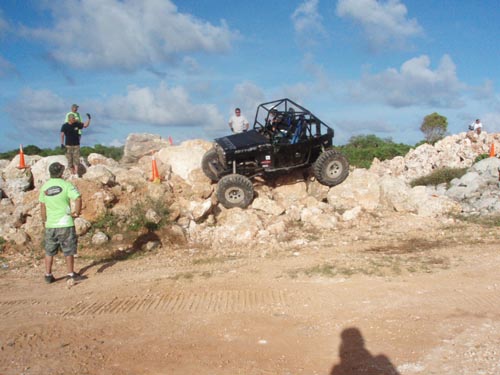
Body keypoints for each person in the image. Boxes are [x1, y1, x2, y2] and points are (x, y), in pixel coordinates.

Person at [39, 162, 82, 284]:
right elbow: (78, 198)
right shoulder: (66, 185)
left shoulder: (45, 187)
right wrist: (76, 213)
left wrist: (44, 220)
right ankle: (70, 273)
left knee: (49, 251)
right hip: (65, 223)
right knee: (68, 250)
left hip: (50, 224)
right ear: (61, 172)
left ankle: (48, 275)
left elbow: (42, 205)